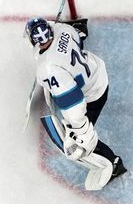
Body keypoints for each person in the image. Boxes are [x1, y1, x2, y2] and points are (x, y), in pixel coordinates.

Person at [25, 16, 126, 190]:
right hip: (97, 72)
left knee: (77, 146)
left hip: (92, 95)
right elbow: (77, 41)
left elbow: (73, 101)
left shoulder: (47, 68)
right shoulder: (64, 30)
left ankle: (113, 164)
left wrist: (79, 129)